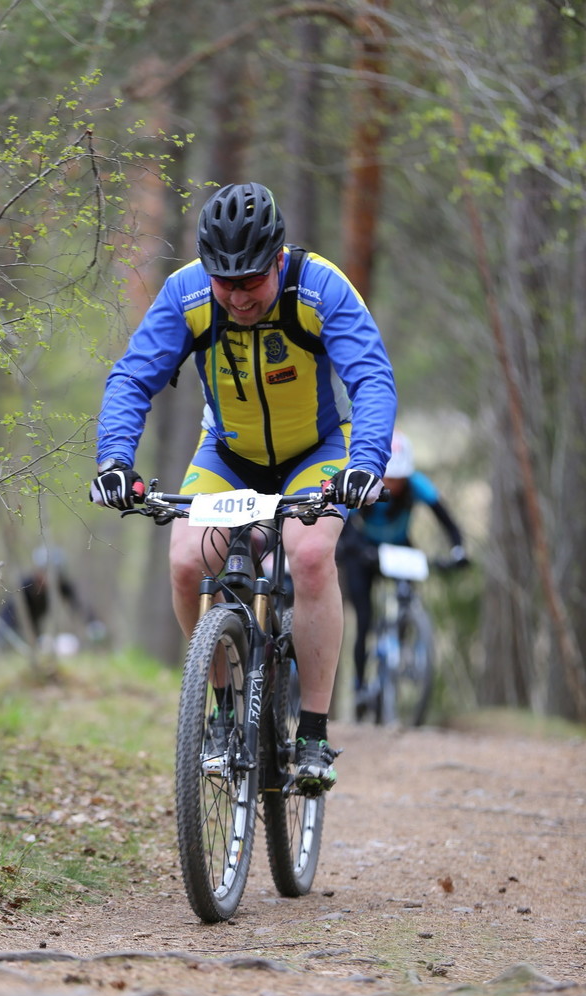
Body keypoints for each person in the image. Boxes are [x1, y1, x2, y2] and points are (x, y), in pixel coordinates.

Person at [90, 182, 398, 791]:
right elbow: (131, 379)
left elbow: (372, 378)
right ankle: (224, 706)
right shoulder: (186, 294)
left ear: (278, 261)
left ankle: (311, 730)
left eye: (250, 282)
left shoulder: (319, 287)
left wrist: (365, 462)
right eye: (223, 282)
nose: (237, 297)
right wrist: (114, 462)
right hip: (229, 454)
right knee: (186, 560)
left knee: (309, 557)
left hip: (315, 452)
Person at [337, 429, 468, 717]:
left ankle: (405, 642)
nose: (393, 484)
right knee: (365, 617)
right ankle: (359, 684)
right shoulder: (367, 484)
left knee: (409, 598)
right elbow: (344, 524)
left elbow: (447, 520)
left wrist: (458, 549)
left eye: (399, 478)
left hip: (400, 549)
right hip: (364, 550)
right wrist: (355, 550)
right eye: (389, 478)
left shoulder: (418, 486)